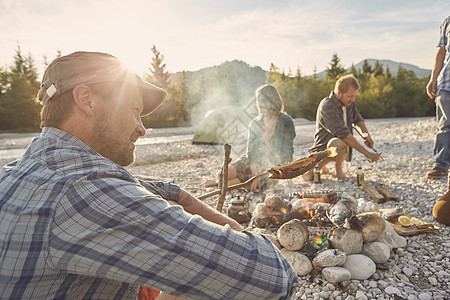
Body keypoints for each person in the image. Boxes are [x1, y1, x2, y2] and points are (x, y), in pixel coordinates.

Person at [0, 52, 298, 299]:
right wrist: (239, 232)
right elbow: (272, 276)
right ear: (86, 99)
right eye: (134, 110)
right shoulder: (86, 192)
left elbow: (147, 187)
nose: (142, 128)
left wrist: (183, 197)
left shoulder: (18, 171)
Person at [205, 84, 296, 191]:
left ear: (273, 100)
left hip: (270, 169)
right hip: (250, 162)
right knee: (221, 175)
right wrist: (254, 177)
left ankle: (234, 183)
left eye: (263, 100)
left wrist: (289, 179)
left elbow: (287, 152)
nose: (259, 104)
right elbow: (251, 153)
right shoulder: (254, 123)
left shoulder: (286, 121)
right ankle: (221, 181)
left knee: (226, 185)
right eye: (258, 101)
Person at [304, 74, 380, 180]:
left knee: (340, 144)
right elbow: (344, 135)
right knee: (308, 177)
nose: (353, 100)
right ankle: (321, 164)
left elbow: (359, 120)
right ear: (339, 93)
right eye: (350, 96)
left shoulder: (349, 104)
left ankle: (338, 167)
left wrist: (366, 135)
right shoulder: (327, 106)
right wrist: (368, 154)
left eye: (354, 96)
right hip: (322, 150)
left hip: (339, 149)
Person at [425, 15, 450, 179]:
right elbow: (441, 51)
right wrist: (433, 78)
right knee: (444, 126)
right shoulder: (447, 22)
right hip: (446, 83)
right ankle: (440, 165)